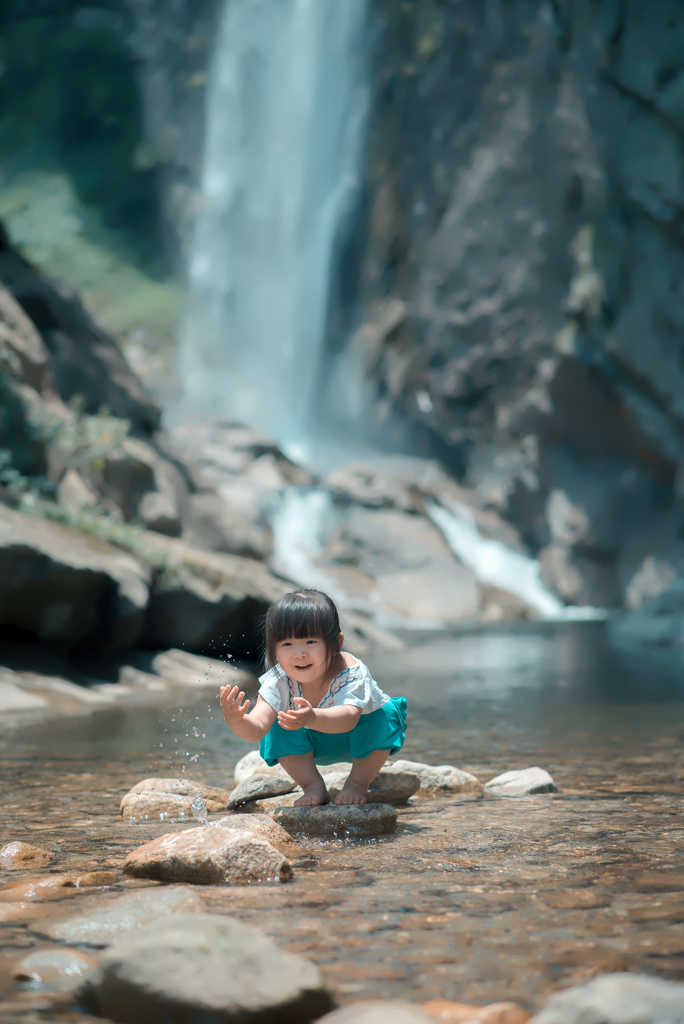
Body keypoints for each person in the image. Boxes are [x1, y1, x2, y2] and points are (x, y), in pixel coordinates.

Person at [220, 589, 407, 806]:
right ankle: (313, 786)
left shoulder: (351, 672)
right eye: (287, 645)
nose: (299, 653)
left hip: (356, 738)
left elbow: (349, 717)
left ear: (336, 644)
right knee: (276, 724)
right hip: (309, 745)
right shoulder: (278, 680)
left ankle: (357, 783)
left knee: (384, 714)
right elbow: (258, 728)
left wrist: (312, 718)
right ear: (275, 651)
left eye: (310, 642)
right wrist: (237, 721)